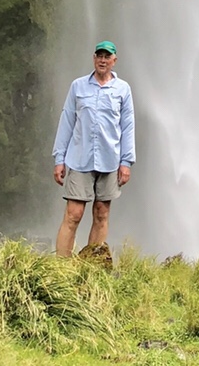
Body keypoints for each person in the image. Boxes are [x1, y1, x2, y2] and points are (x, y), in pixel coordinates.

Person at [52, 40, 135, 257]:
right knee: (74, 213)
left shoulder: (123, 89)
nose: (102, 60)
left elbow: (127, 126)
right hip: (80, 158)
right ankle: (61, 266)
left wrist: (126, 162)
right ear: (94, 58)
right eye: (99, 56)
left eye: (107, 57)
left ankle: (92, 266)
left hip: (110, 159)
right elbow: (67, 120)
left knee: (101, 213)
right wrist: (59, 158)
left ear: (114, 60)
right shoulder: (78, 86)